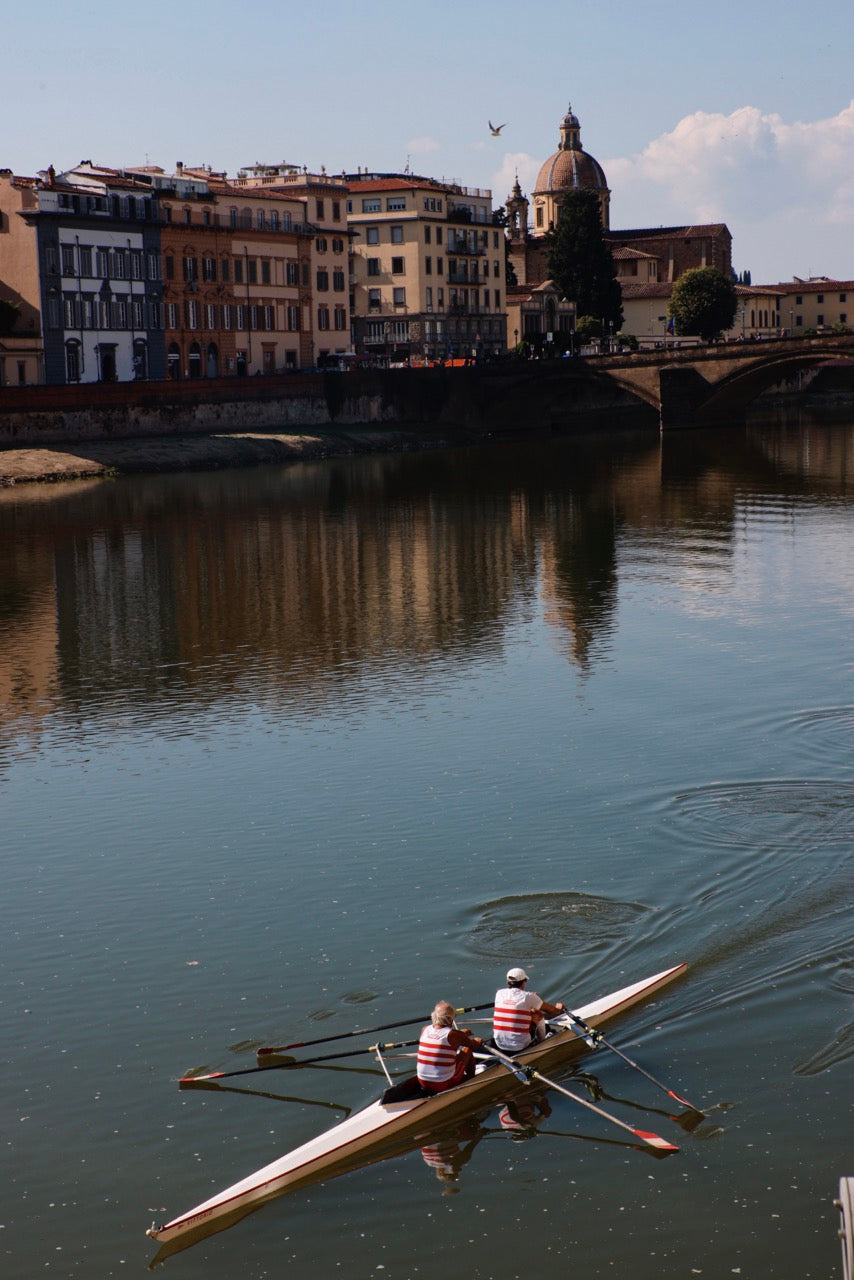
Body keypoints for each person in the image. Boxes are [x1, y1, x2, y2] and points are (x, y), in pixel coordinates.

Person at [416, 1001, 484, 1094]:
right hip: (443, 1084)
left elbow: (439, 1040)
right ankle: (472, 1081)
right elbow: (472, 1044)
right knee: (467, 1049)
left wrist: (461, 1034)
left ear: (434, 1016)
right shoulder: (454, 1035)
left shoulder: (425, 1029)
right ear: (451, 1019)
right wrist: (478, 1040)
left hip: (422, 1081)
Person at [493, 967, 565, 1052]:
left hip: (499, 1043)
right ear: (523, 982)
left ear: (508, 982)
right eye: (525, 981)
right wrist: (559, 1008)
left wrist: (531, 999)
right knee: (537, 1014)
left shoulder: (499, 993)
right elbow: (551, 1010)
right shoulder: (528, 997)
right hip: (520, 1045)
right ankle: (542, 1042)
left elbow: (516, 1002)